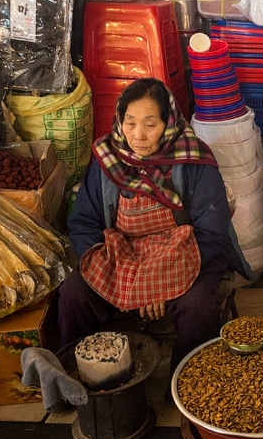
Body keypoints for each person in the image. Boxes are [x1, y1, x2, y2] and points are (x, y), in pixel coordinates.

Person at [57, 78, 251, 371]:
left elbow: (212, 232)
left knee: (197, 309)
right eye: (130, 122)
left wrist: (156, 283)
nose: (138, 135)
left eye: (150, 124)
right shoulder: (106, 159)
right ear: (119, 121)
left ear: (169, 123)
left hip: (185, 256)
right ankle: (81, 376)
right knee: (73, 294)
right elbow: (83, 223)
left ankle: (185, 385)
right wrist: (122, 277)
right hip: (121, 259)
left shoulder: (194, 160)